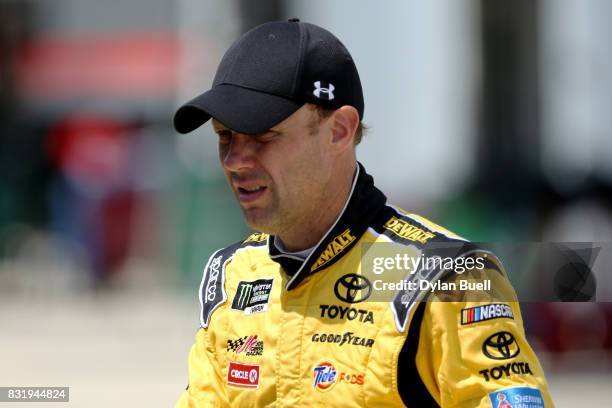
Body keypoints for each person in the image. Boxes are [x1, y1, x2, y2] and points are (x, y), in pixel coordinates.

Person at [173, 19, 553, 407]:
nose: (235, 160)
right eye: (225, 136)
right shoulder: (234, 273)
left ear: (339, 130)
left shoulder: (444, 277)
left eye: (262, 136)